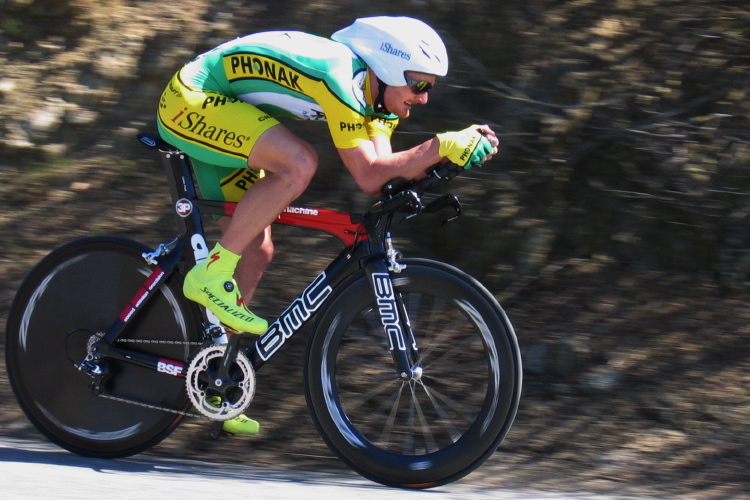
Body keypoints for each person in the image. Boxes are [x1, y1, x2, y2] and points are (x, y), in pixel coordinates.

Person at [156, 16, 499, 435]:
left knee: (257, 249)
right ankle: (209, 272)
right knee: (299, 163)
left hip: (228, 111)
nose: (423, 98)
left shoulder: (379, 102)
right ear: (388, 68)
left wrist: (450, 159)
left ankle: (218, 380)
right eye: (419, 84)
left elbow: (386, 177)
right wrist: (441, 144)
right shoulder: (341, 77)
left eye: (428, 87)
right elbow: (370, 175)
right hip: (192, 99)